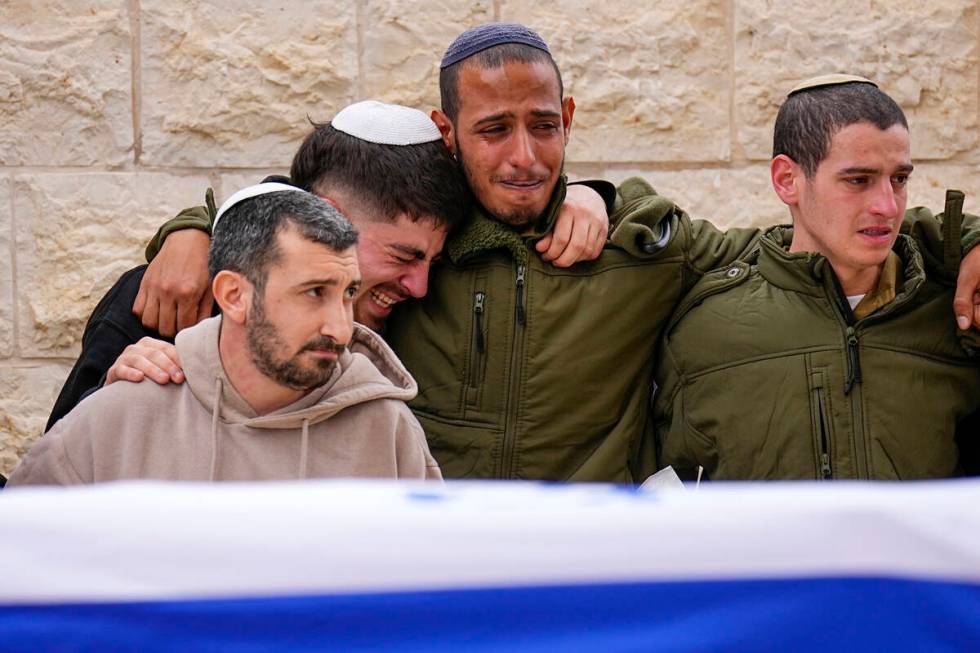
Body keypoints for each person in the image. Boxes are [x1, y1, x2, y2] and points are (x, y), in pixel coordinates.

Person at [109, 24, 980, 483]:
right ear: (449, 133)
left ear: (569, 121)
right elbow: (304, 208)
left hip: (581, 570)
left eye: (543, 126)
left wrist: (970, 241)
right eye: (493, 130)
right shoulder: (415, 248)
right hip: (423, 554)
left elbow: (810, 245)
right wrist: (189, 225)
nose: (524, 156)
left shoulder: (646, 248)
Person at [45, 101, 472, 430]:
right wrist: (113, 401)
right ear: (331, 219)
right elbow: (60, 488)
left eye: (431, 261)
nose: (420, 287)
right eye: (403, 256)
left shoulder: (412, 316)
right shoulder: (171, 299)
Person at [653, 75, 980, 481]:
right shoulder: (705, 331)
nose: (886, 206)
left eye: (899, 179)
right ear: (787, 180)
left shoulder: (955, 313)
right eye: (858, 180)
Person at [10, 185, 441, 485]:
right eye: (314, 293)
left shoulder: (388, 430)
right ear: (233, 296)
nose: (341, 327)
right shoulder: (122, 417)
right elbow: (23, 561)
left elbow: (430, 589)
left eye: (347, 294)